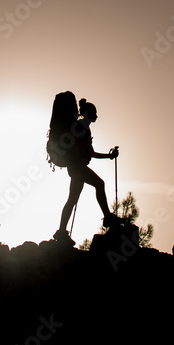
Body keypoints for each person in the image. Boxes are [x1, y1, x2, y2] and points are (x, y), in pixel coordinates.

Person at [49, 93, 121, 244]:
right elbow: (78, 147)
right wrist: (79, 159)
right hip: (77, 167)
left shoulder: (84, 128)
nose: (96, 116)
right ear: (88, 113)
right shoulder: (80, 127)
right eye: (94, 113)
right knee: (99, 184)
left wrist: (108, 156)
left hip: (75, 166)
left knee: (72, 199)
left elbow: (91, 153)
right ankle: (107, 217)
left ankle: (61, 231)